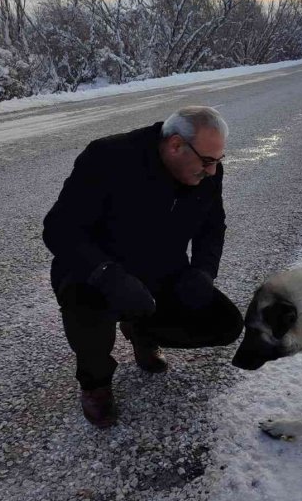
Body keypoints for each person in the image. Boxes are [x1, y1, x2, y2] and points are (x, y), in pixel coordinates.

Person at [43, 106, 244, 428]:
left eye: (218, 161)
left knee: (225, 324)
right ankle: (95, 383)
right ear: (176, 145)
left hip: (162, 270)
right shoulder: (108, 157)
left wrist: (203, 272)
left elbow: (212, 225)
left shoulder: (208, 171)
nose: (212, 171)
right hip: (96, 273)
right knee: (86, 311)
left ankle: (141, 331)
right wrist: (107, 275)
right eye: (208, 162)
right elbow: (58, 229)